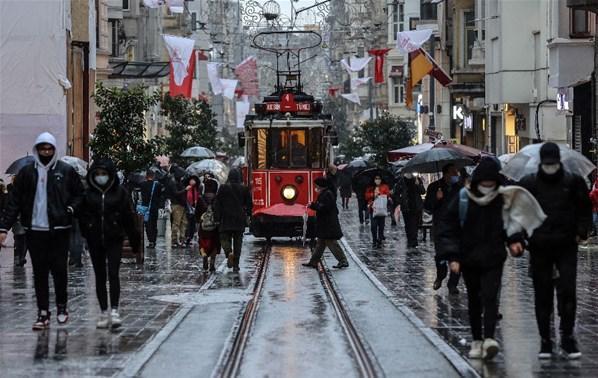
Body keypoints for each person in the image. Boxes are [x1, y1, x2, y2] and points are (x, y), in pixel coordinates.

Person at [437, 158, 544, 360]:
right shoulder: (464, 198)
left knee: (490, 297)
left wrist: (515, 241)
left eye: (491, 184)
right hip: (469, 259)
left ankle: (489, 339)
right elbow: (448, 229)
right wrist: (452, 257)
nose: (488, 188)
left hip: (494, 258)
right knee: (475, 300)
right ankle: (477, 341)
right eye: (485, 184)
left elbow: (510, 225)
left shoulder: (502, 199)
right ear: (478, 181)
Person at [0, 132, 84, 330]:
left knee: (59, 270)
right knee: (39, 273)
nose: (46, 152)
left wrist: (70, 209)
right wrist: (4, 227)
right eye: (42, 149)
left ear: (54, 150)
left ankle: (62, 306)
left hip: (59, 229)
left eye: (49, 149)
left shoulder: (65, 171)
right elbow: (14, 202)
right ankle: (43, 312)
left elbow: (79, 194)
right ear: (37, 149)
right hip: (35, 229)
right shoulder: (27, 173)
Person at [519, 142, 592, 359]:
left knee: (567, 290)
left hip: (566, 244)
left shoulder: (573, 182)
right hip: (539, 246)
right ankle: (545, 340)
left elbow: (584, 209)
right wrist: (519, 237)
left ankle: (567, 336)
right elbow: (518, 212)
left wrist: (581, 231)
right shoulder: (529, 184)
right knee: (542, 293)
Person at [79, 158, 140, 329]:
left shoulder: (120, 193)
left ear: (110, 175)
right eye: (97, 174)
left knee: (113, 273)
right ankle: (103, 311)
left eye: (104, 174)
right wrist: (88, 230)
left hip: (114, 237)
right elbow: (83, 216)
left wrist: (134, 240)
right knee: (99, 275)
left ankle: (114, 310)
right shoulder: (88, 194)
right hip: (95, 238)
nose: (100, 177)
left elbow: (128, 217)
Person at [424, 164, 462, 294]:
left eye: (456, 173)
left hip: (457, 228)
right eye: (453, 173)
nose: (456, 176)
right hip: (440, 228)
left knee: (456, 257)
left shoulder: (460, 188)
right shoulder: (434, 187)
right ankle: (440, 276)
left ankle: (453, 284)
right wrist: (437, 198)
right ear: (446, 174)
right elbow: (428, 207)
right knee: (441, 256)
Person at [302, 177, 349, 269]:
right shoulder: (325, 193)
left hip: (328, 224)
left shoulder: (327, 194)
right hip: (325, 223)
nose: (316, 188)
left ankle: (343, 261)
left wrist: (313, 205)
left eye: (317, 186)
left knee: (331, 243)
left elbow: (324, 207)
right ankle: (313, 262)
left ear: (321, 186)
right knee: (320, 244)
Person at [214, 169, 252, 272]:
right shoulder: (244, 188)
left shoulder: (223, 188)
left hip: (226, 218)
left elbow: (217, 204)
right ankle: (236, 265)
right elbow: (249, 204)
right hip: (239, 219)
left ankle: (228, 252)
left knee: (224, 238)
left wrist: (217, 218)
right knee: (238, 242)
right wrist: (248, 214)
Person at [196, 175, 221, 272]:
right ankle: (212, 264)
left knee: (202, 243)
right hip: (214, 226)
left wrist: (198, 221)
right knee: (214, 244)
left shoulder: (200, 199)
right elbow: (219, 212)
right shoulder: (217, 199)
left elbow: (197, 214)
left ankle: (204, 255)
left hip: (203, 226)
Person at [398, 172, 426, 248]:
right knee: (408, 225)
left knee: (415, 224)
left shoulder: (417, 179)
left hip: (416, 206)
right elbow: (396, 192)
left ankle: (414, 241)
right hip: (406, 206)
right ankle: (410, 239)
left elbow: (423, 191)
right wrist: (401, 200)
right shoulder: (401, 180)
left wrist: (418, 184)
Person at [139, 170, 163, 249]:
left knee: (147, 225)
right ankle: (154, 240)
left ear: (146, 176)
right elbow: (160, 196)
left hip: (145, 208)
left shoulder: (142, 185)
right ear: (153, 176)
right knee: (154, 224)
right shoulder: (158, 185)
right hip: (154, 208)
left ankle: (150, 241)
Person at [365, 175, 390, 248]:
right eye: (376, 179)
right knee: (373, 226)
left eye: (379, 178)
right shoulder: (370, 187)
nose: (377, 180)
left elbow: (387, 194)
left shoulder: (385, 186)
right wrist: (373, 194)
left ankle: (380, 239)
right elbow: (366, 196)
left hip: (382, 209)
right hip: (373, 209)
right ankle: (374, 240)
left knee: (381, 226)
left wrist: (380, 194)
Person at [169, 176, 188, 248]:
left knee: (183, 223)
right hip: (177, 205)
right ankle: (174, 240)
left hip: (182, 205)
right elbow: (175, 193)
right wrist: (185, 190)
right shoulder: (174, 184)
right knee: (177, 223)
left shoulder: (180, 183)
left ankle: (181, 239)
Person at [184, 175, 201, 247]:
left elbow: (198, 197)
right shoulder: (187, 188)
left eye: (194, 180)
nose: (192, 181)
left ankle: (190, 238)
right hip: (188, 207)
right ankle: (187, 237)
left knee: (193, 224)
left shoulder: (196, 189)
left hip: (195, 208)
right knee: (188, 223)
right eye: (191, 180)